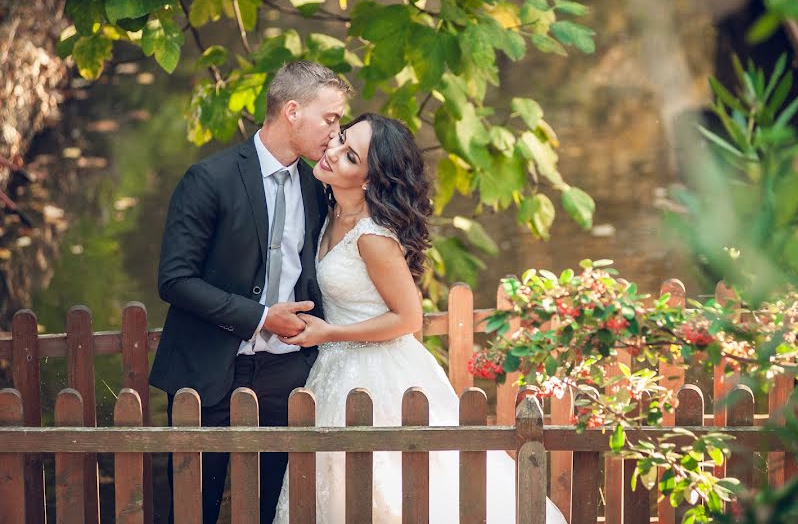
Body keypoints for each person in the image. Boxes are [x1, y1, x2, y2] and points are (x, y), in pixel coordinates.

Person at [271, 113, 567, 523]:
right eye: (340, 139)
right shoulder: (330, 212)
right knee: (340, 486)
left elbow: (409, 318)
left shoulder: (372, 236)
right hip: (336, 370)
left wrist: (329, 332)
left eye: (350, 156)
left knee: (401, 487)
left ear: (370, 179)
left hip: (379, 372)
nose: (333, 152)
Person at [149, 61, 352, 523]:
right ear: (294, 111)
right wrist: (261, 318)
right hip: (206, 370)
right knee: (191, 510)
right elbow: (175, 279)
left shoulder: (319, 187)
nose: (336, 133)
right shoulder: (208, 179)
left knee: (274, 510)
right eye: (331, 118)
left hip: (286, 374)